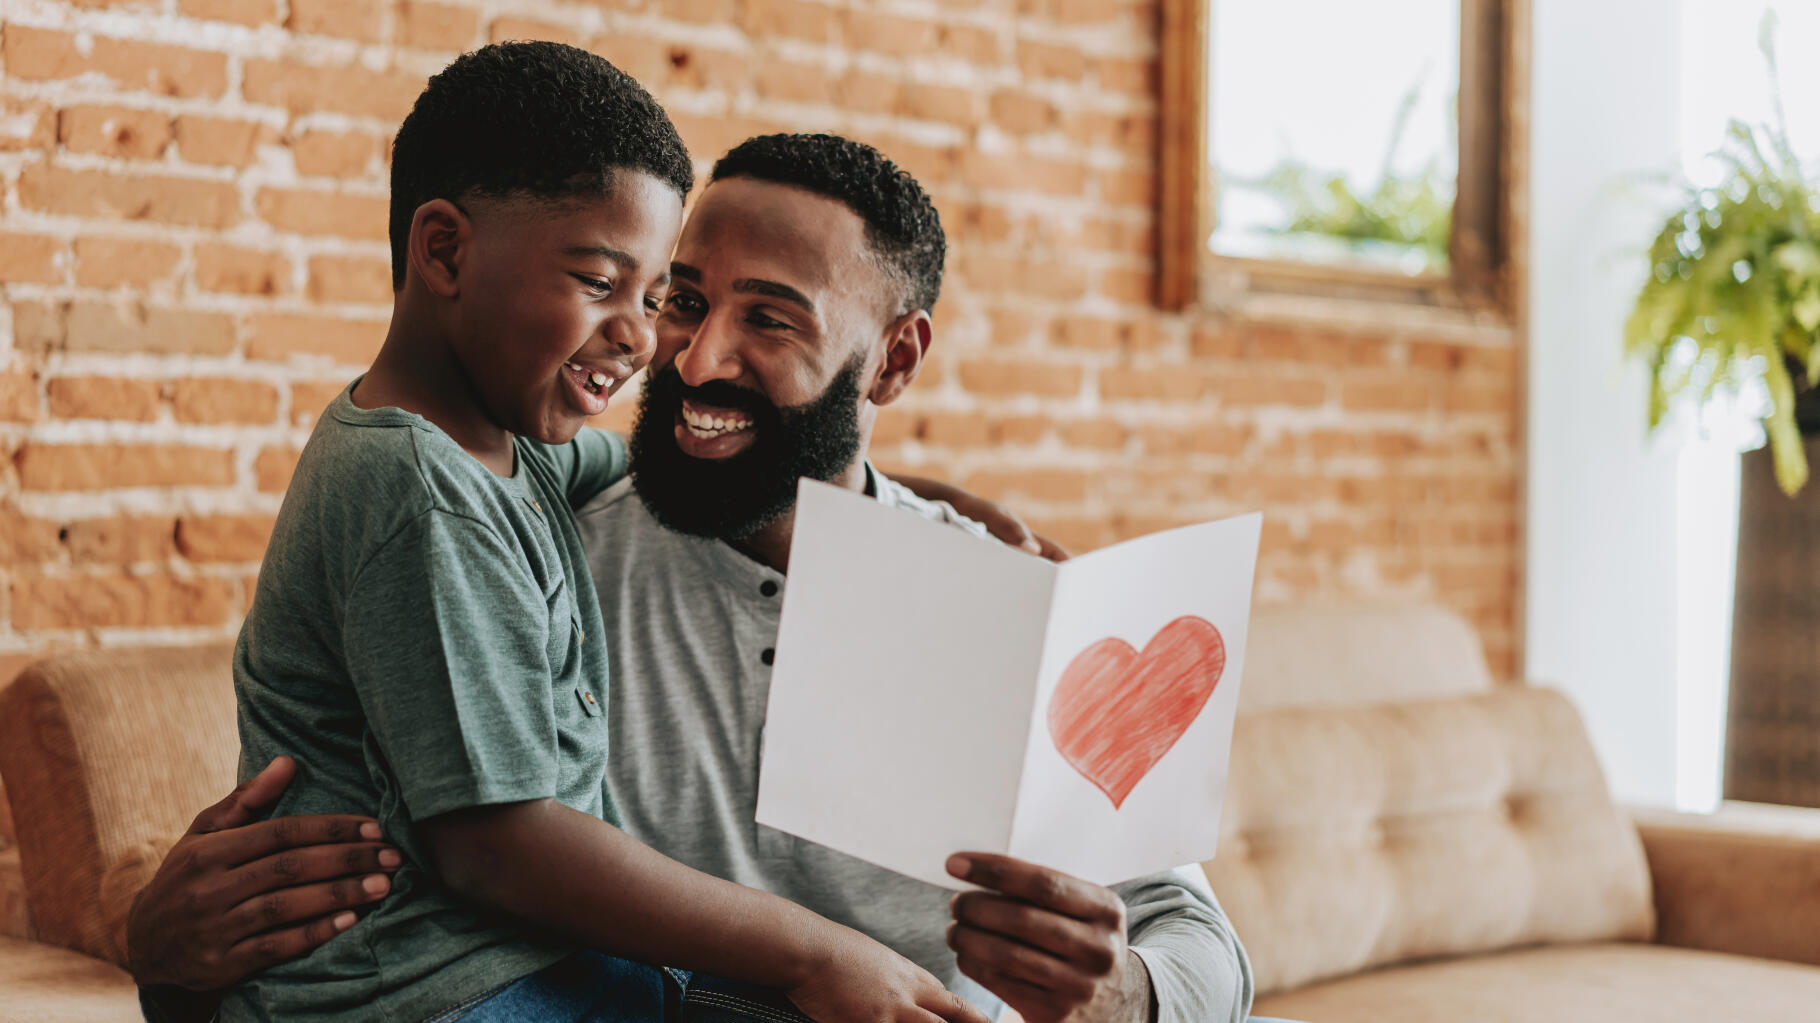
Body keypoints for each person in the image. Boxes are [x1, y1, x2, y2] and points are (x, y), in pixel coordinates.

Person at [128, 130, 1257, 1023]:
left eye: (768, 318)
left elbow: (1202, 949)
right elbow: (390, 838)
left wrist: (1121, 998)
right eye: (683, 298)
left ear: (895, 360)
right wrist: (166, 954)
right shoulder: (544, 551)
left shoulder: (1011, 609)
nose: (694, 356)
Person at [196, 40, 989, 1023]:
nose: (656, 343)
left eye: (650, 294)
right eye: (604, 283)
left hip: (530, 970)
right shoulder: (420, 493)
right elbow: (496, 843)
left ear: (892, 359)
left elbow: (706, 460)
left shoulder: (505, 453)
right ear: (444, 252)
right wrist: (814, 955)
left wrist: (929, 505)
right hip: (429, 991)